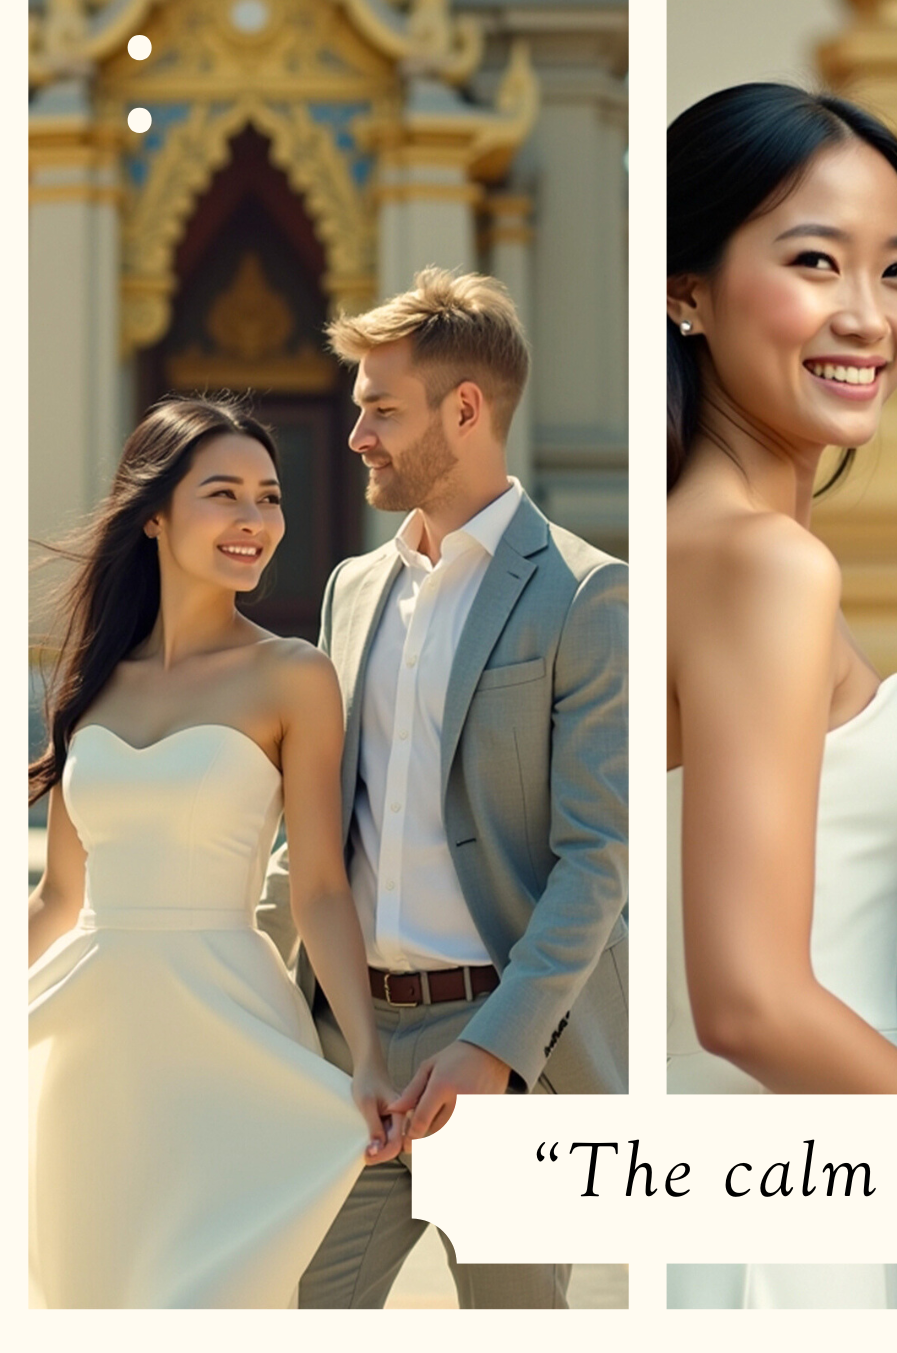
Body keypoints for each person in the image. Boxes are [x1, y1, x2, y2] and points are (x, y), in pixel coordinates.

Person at [261, 268, 629, 1309]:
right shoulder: (352, 587)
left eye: (381, 409)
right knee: (299, 1308)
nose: (355, 436)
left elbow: (597, 861)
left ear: (464, 409)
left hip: (505, 1052)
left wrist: (492, 1052)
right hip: (354, 1056)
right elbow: (319, 840)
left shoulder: (587, 593)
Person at [665, 83, 897, 1310]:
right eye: (814, 262)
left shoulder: (695, 547)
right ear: (685, 289)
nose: (867, 317)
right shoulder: (761, 565)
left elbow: (818, 965)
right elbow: (746, 1005)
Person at [27, 396, 401, 1308]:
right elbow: (59, 896)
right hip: (94, 1054)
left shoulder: (293, 674)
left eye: (268, 497)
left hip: (226, 1033)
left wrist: (366, 1054)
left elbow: (317, 885)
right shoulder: (90, 677)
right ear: (153, 513)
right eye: (223, 493)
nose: (253, 520)